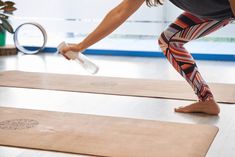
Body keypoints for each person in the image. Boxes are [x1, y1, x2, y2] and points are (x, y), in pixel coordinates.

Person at [61, 0, 235, 115]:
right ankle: (206, 99)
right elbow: (120, 12)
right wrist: (81, 46)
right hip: (215, 12)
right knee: (168, 41)